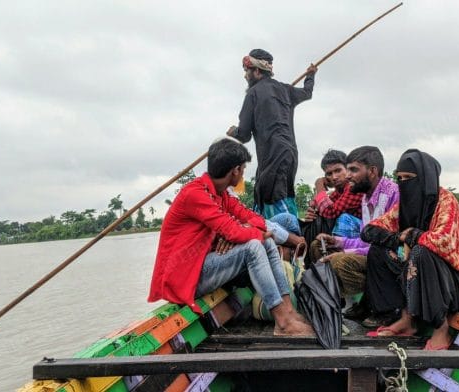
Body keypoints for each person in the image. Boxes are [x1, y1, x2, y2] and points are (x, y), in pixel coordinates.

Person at [148, 138, 313, 336]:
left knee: (266, 241)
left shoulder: (220, 194)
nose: (242, 174)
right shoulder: (195, 194)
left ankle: (288, 312)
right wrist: (246, 233)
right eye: (243, 169)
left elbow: (250, 217)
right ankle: (283, 324)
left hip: (204, 263)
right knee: (253, 246)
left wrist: (248, 231)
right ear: (235, 170)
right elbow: (232, 230)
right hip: (188, 275)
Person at [361, 149, 459, 350]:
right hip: (420, 275)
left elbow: (444, 241)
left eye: (408, 177)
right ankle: (407, 319)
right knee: (378, 251)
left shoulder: (445, 200)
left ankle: (441, 329)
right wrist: (398, 238)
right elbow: (370, 230)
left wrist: (413, 236)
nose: (403, 182)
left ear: (425, 178)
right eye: (399, 178)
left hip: (458, 284)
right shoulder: (405, 205)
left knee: (421, 251)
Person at [313, 146, 399, 326]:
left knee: (340, 262)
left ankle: (385, 306)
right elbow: (367, 239)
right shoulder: (365, 197)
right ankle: (360, 301)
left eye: (353, 170)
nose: (348, 176)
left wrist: (344, 253)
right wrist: (338, 241)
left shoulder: (392, 194)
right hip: (373, 253)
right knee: (319, 246)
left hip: (389, 260)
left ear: (372, 171)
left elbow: (384, 246)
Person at [227, 48, 318, 219]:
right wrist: (311, 76)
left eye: (247, 71)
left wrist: (233, 132)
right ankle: (272, 233)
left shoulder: (252, 94)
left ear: (256, 71)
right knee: (276, 191)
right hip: (290, 154)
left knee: (271, 194)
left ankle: (291, 240)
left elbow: (244, 134)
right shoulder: (286, 89)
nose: (245, 76)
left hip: (272, 155)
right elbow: (307, 93)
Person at [301, 149, 363, 265]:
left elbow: (329, 211)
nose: (334, 177)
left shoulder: (353, 187)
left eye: (338, 170)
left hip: (364, 238)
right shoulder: (338, 192)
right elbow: (320, 206)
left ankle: (338, 257)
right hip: (350, 237)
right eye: (329, 174)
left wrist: (319, 184)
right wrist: (312, 212)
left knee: (344, 218)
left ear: (348, 169)